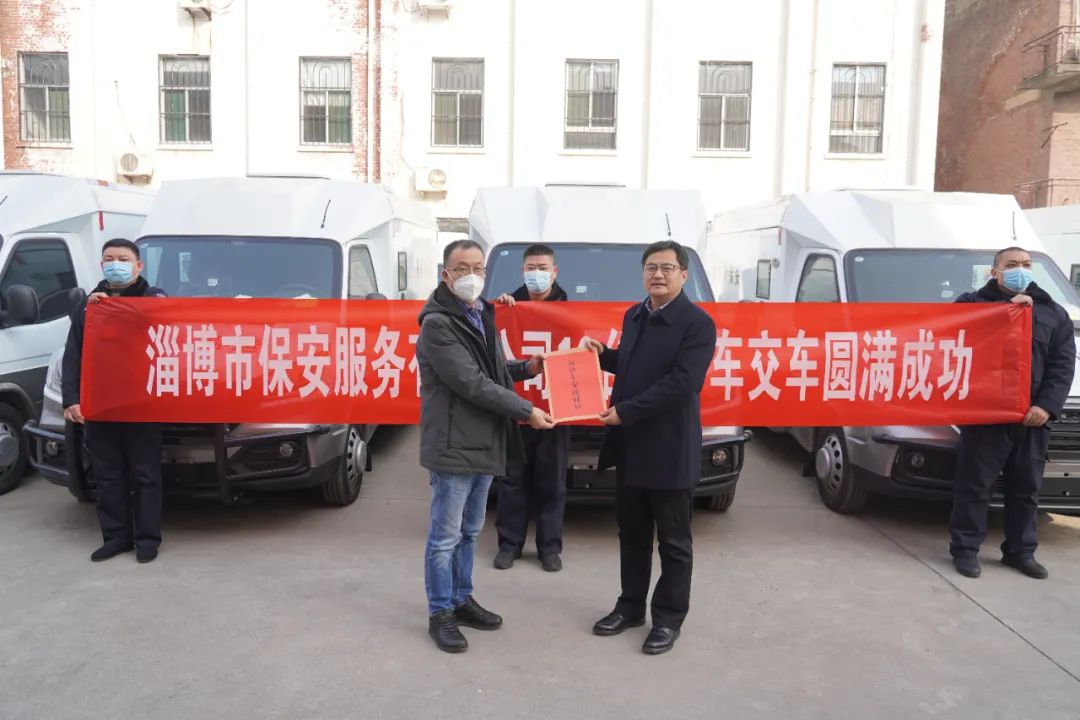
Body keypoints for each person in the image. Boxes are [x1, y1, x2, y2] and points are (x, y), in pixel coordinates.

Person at [416, 239, 556, 654]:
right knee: (445, 536)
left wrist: (526, 368)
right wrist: (527, 410)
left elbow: (492, 370)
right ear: (446, 275)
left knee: (470, 531)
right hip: (454, 442)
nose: (471, 275)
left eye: (478, 267)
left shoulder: (479, 313)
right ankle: (440, 611)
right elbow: (471, 383)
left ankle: (462, 599)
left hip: (484, 440)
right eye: (461, 268)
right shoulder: (438, 324)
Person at [582, 240, 716, 656]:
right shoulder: (635, 314)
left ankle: (668, 620)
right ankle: (630, 607)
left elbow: (682, 383)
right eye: (651, 267)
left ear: (683, 275)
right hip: (631, 446)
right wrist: (604, 356)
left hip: (669, 448)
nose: (658, 274)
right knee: (633, 534)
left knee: (673, 541)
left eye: (667, 268)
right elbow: (632, 366)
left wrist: (626, 411)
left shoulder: (697, 324)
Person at [949, 246, 1075, 580]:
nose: (1021, 269)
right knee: (974, 486)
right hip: (986, 416)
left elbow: (1062, 365)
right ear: (995, 272)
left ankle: (1020, 552)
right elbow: (952, 335)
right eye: (1012, 264)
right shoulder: (971, 304)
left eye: (1026, 264)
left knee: (1026, 488)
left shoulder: (1052, 313)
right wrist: (1005, 312)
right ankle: (965, 550)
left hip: (1031, 418)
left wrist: (1046, 405)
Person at [62, 239, 167, 564]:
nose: (116, 264)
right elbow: (73, 354)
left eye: (123, 259)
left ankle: (147, 539)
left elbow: (164, 325)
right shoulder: (88, 306)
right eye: (109, 259)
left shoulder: (154, 298)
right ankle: (116, 537)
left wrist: (116, 308)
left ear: (138, 266)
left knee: (145, 474)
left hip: (142, 403)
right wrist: (71, 398)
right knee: (107, 475)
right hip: (101, 404)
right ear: (102, 265)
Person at [492, 244, 570, 572]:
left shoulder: (571, 311)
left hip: (555, 413)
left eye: (542, 267)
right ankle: (509, 544)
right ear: (522, 271)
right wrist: (501, 308)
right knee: (512, 482)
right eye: (530, 268)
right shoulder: (508, 307)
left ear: (554, 272)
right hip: (516, 411)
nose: (536, 273)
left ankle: (549, 548)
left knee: (552, 484)